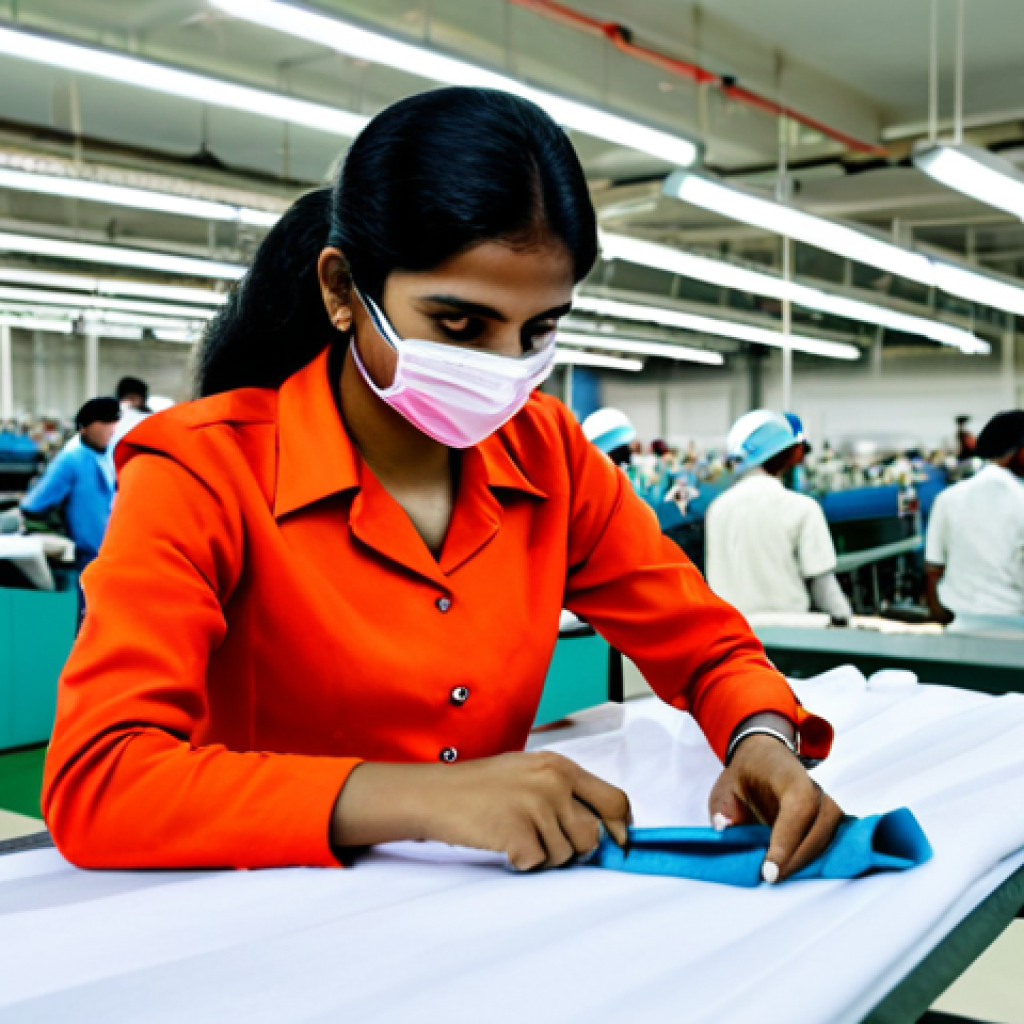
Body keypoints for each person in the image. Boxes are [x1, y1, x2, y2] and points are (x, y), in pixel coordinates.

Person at [43, 88, 840, 880]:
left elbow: (703, 643)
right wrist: (430, 798)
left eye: (538, 330)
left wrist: (758, 736)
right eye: (459, 326)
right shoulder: (204, 468)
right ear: (341, 290)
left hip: (480, 920)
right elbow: (102, 779)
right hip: (261, 924)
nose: (501, 371)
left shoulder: (550, 456)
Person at [706, 410, 852, 624]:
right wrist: (848, 623)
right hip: (789, 635)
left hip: (731, 636)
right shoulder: (802, 508)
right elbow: (823, 588)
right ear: (785, 456)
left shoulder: (716, 510)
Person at [925, 410, 1024, 633]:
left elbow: (933, 569)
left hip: (959, 629)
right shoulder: (1021, 500)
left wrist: (939, 624)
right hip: (1016, 631)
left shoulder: (947, 498)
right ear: (1019, 450)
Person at [20, 398, 119, 574]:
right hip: (86, 558)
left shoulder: (109, 456)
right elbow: (34, 506)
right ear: (84, 427)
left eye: (113, 421)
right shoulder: (70, 460)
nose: (111, 427)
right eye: (104, 421)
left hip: (113, 554)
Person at [110, 375, 152, 450]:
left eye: (134, 397)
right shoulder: (113, 416)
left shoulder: (149, 418)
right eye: (128, 397)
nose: (131, 400)